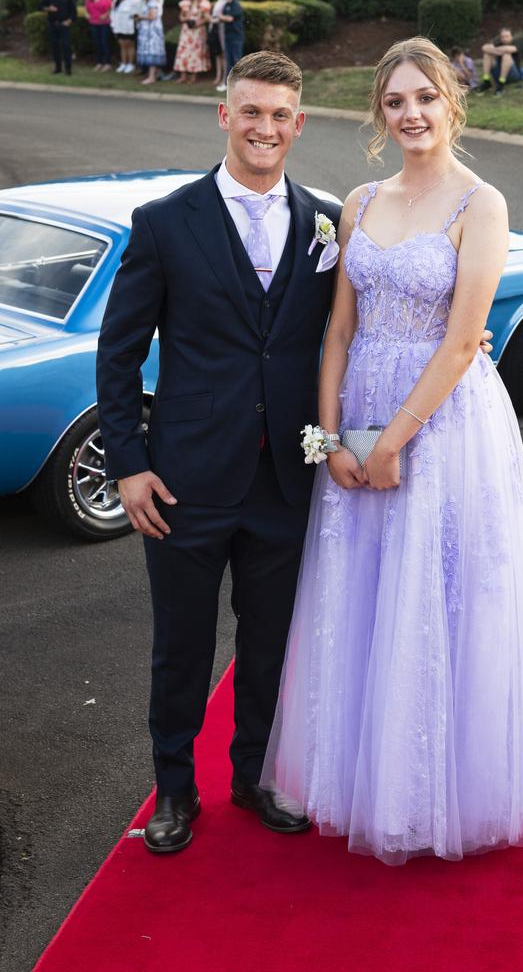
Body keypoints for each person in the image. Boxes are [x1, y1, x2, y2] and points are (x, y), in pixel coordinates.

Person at [96, 48, 494, 856]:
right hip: (184, 480)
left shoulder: (325, 217)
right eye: (250, 112)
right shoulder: (165, 221)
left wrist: (466, 341)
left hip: (289, 477)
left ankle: (254, 776)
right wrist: (128, 463)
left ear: (299, 123)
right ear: (224, 116)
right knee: (180, 643)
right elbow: (118, 349)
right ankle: (176, 791)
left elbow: (368, 314)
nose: (264, 128)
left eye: (280, 115)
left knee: (273, 640)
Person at [260, 36, 523, 865]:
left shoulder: (481, 204)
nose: (411, 114)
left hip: (443, 423)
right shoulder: (361, 199)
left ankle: (439, 789)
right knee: (366, 588)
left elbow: (457, 346)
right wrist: (335, 439)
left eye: (425, 98)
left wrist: (390, 443)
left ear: (453, 102)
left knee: (439, 589)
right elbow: (339, 329)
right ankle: (360, 776)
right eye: (395, 102)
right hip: (362, 416)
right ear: (380, 112)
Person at [173, 0, 211, 84]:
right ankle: (183, 75)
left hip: (198, 31)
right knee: (184, 51)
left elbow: (207, 18)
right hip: (187, 31)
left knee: (195, 53)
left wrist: (197, 23)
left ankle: (193, 76)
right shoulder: (187, 2)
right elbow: (181, 16)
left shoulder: (204, 3)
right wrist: (186, 19)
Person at [40, 0, 76, 76]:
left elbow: (74, 12)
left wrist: (69, 21)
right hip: (52, 25)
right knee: (55, 47)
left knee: (66, 46)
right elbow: (40, 6)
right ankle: (58, 68)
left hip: (64, 26)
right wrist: (48, 8)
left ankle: (68, 69)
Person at [134, 0, 166, 84]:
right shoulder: (148, 2)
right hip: (146, 32)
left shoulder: (152, 1)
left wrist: (140, 17)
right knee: (149, 53)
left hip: (151, 33)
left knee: (151, 53)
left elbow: (153, 16)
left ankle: (152, 77)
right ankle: (154, 74)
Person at [217, 0, 244, 92]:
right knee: (228, 60)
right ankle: (227, 84)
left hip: (236, 36)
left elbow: (230, 18)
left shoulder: (235, 5)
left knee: (236, 60)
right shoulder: (226, 5)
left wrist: (221, 17)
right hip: (228, 36)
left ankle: (239, 84)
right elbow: (224, 18)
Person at [477, 27, 520, 96]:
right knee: (487, 55)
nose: (505, 39)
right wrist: (499, 51)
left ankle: (501, 85)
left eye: (507, 36)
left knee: (506, 56)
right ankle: (486, 81)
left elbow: (509, 49)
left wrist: (494, 50)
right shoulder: (498, 44)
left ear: (511, 37)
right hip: (498, 74)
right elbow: (484, 48)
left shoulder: (516, 44)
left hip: (513, 75)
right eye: (503, 37)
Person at [111, 0, 139, 73]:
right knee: (122, 45)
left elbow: (138, 10)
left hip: (129, 26)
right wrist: (113, 24)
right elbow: (113, 12)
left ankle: (130, 64)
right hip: (119, 26)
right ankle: (123, 63)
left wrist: (135, 17)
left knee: (129, 45)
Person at [85, 0, 113, 71]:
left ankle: (107, 63)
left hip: (104, 24)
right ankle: (99, 62)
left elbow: (111, 8)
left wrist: (106, 14)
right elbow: (86, 9)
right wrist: (87, 14)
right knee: (97, 43)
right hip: (94, 23)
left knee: (104, 43)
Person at [209, 0, 228, 88]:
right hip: (215, 30)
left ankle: (224, 77)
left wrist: (213, 20)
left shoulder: (225, 3)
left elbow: (220, 17)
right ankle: (218, 76)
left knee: (224, 55)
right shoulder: (219, 2)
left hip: (222, 31)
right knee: (218, 55)